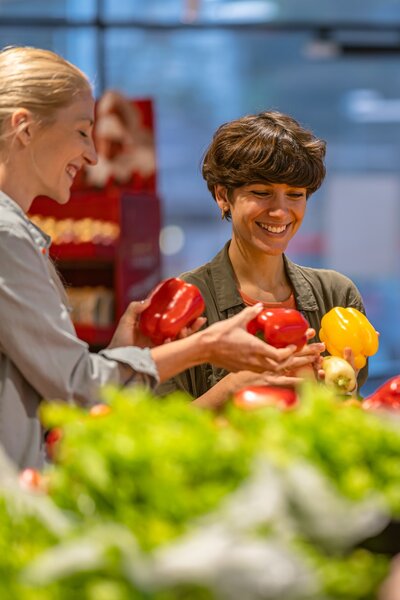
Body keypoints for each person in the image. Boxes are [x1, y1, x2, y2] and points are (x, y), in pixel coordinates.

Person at [0, 47, 313, 470]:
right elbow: (77, 386)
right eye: (81, 131)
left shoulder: (332, 289)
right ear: (24, 128)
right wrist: (204, 348)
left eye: (295, 195)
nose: (93, 155)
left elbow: (63, 381)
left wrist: (120, 351)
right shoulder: (7, 238)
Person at [157, 110, 368, 407]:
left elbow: (349, 418)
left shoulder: (336, 296)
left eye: (295, 195)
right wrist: (233, 386)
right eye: (261, 192)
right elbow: (162, 429)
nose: (280, 212)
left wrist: (339, 398)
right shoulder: (181, 303)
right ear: (222, 196)